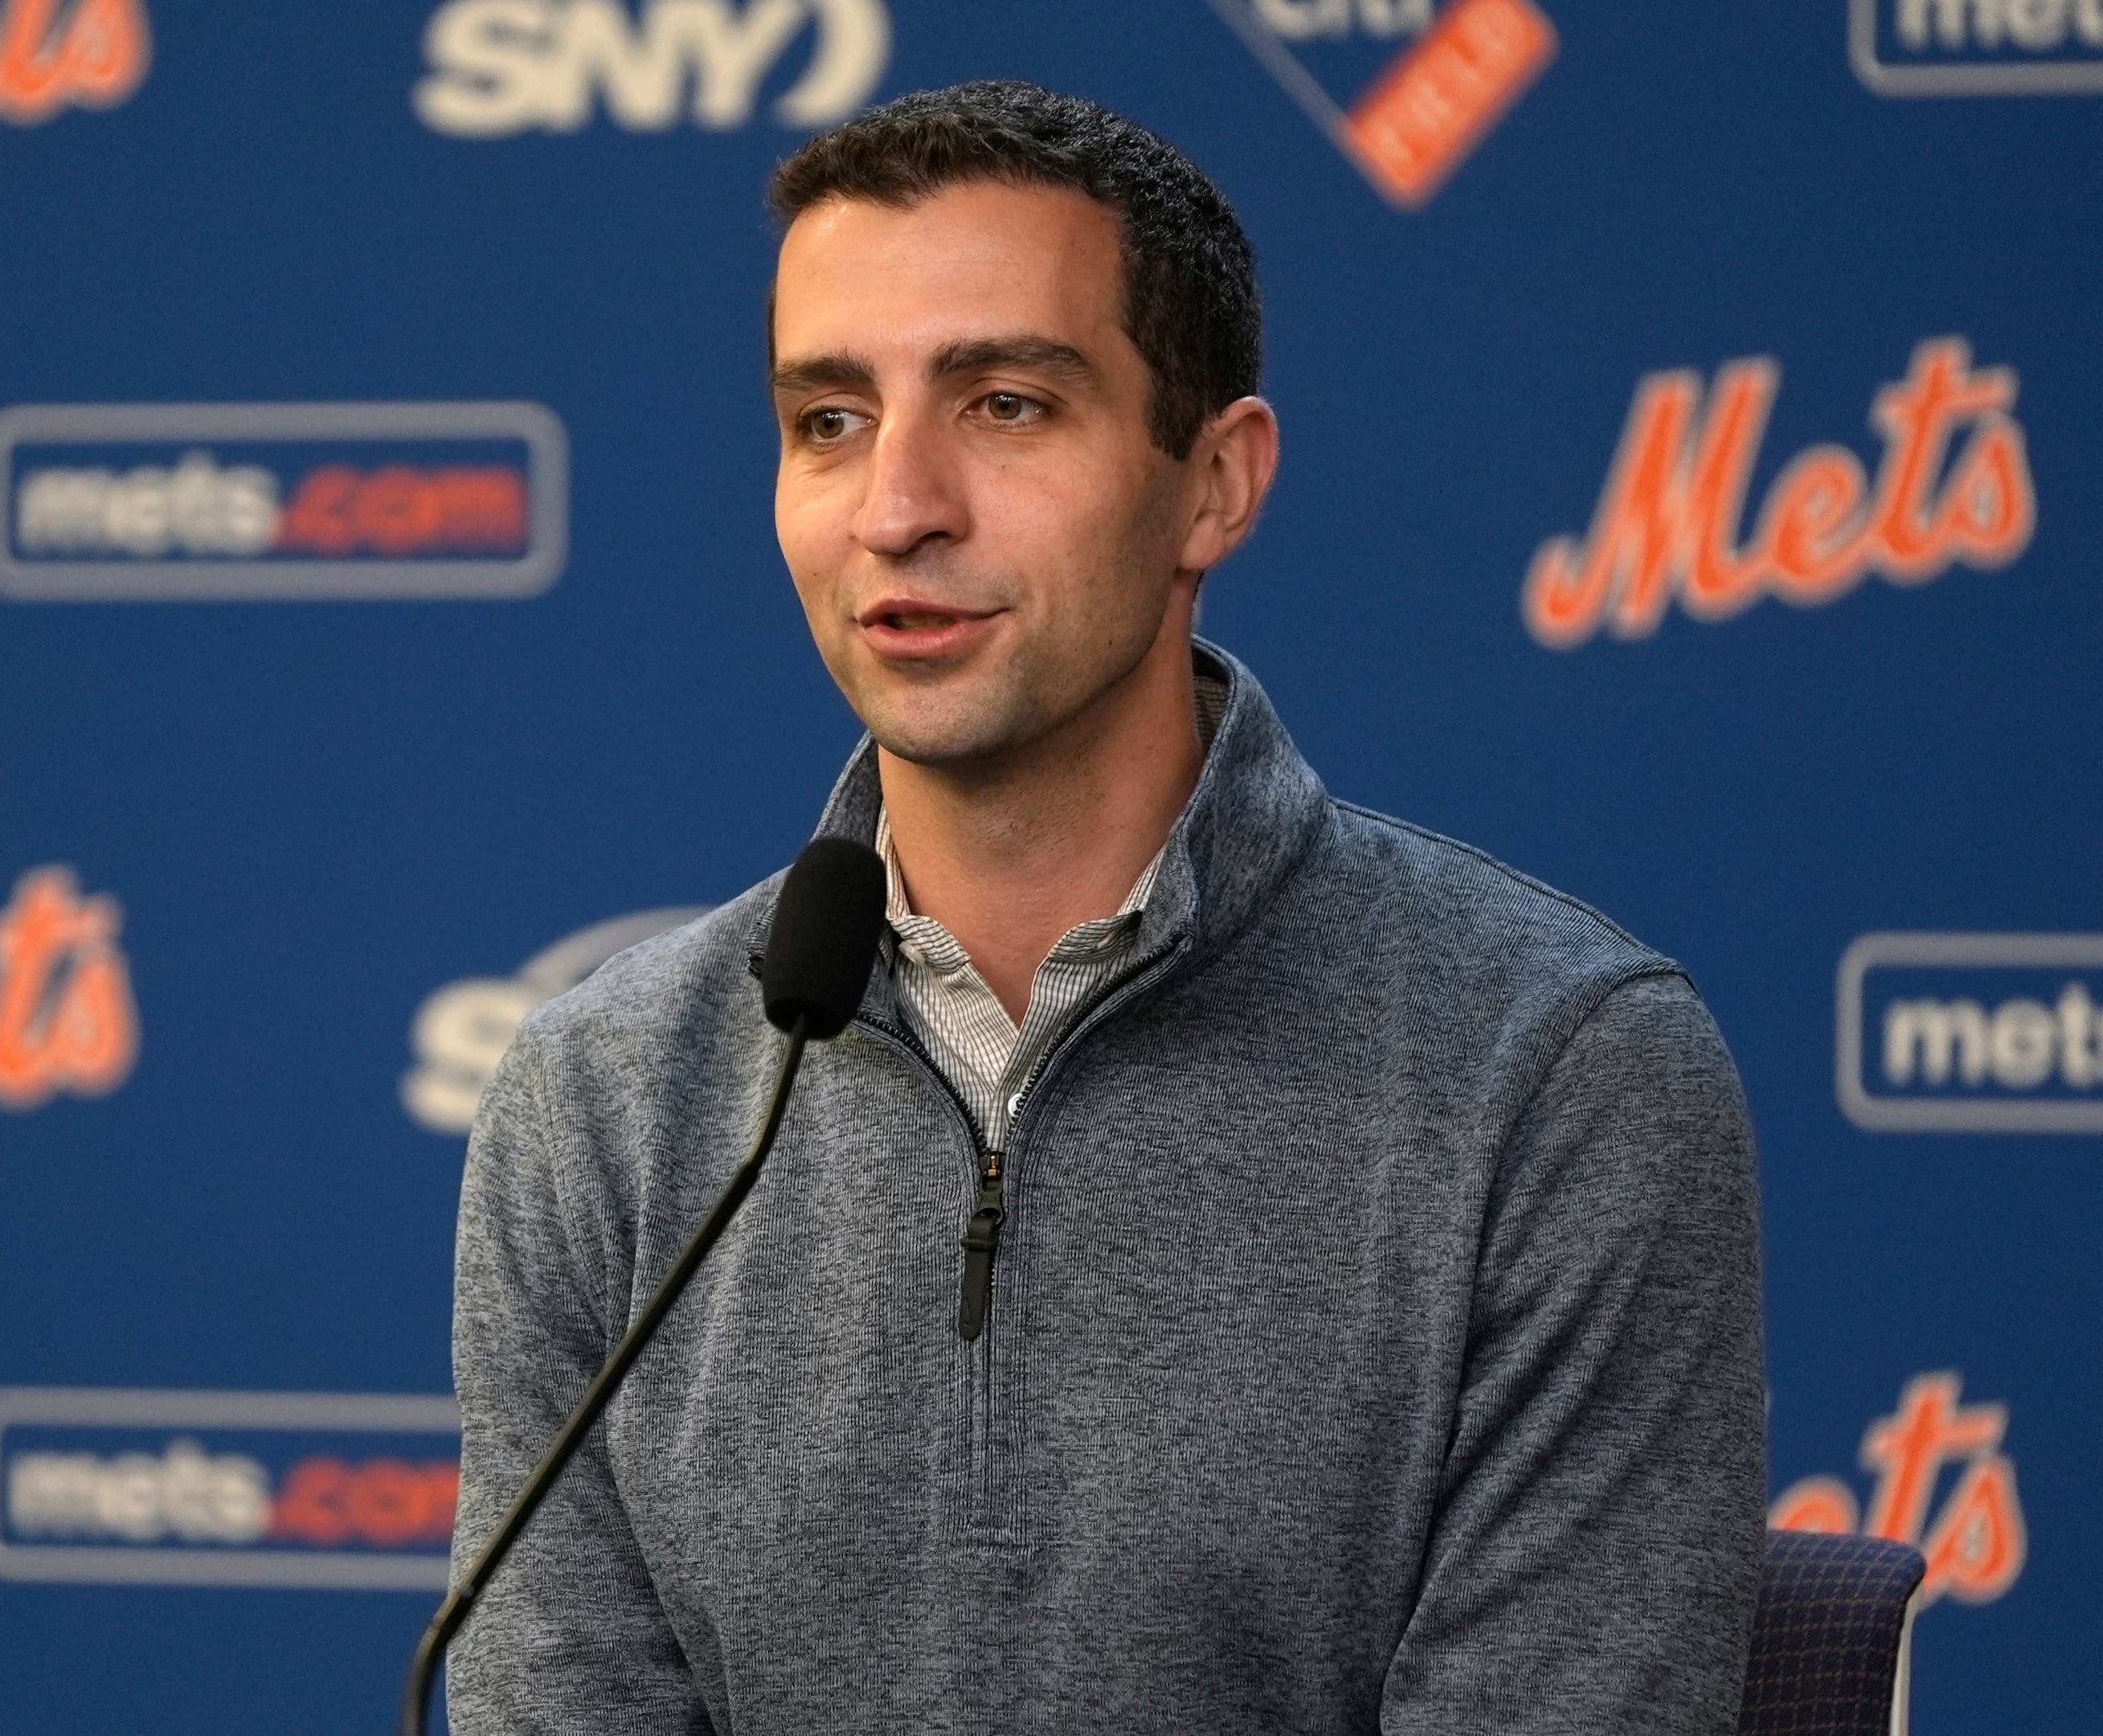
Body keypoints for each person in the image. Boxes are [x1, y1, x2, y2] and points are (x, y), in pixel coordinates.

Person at [450, 80, 1765, 1735]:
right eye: (829, 421)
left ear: (1214, 485)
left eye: (1004, 405)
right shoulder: (599, 1101)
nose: (897, 507)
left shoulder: (1561, 1075)